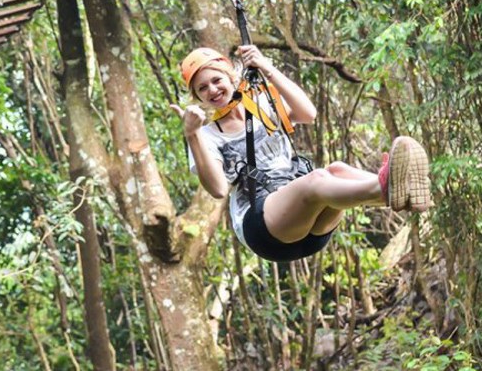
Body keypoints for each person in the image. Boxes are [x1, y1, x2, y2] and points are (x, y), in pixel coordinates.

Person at [170, 46, 432, 262]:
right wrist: (192, 134)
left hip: (311, 230)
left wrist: (267, 69)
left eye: (216, 80)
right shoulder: (207, 135)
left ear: (230, 78)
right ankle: (388, 186)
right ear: (197, 97)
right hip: (262, 228)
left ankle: (401, 193)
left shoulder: (261, 104)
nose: (212, 90)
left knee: (338, 170)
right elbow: (217, 189)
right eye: (202, 88)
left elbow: (308, 114)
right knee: (318, 179)